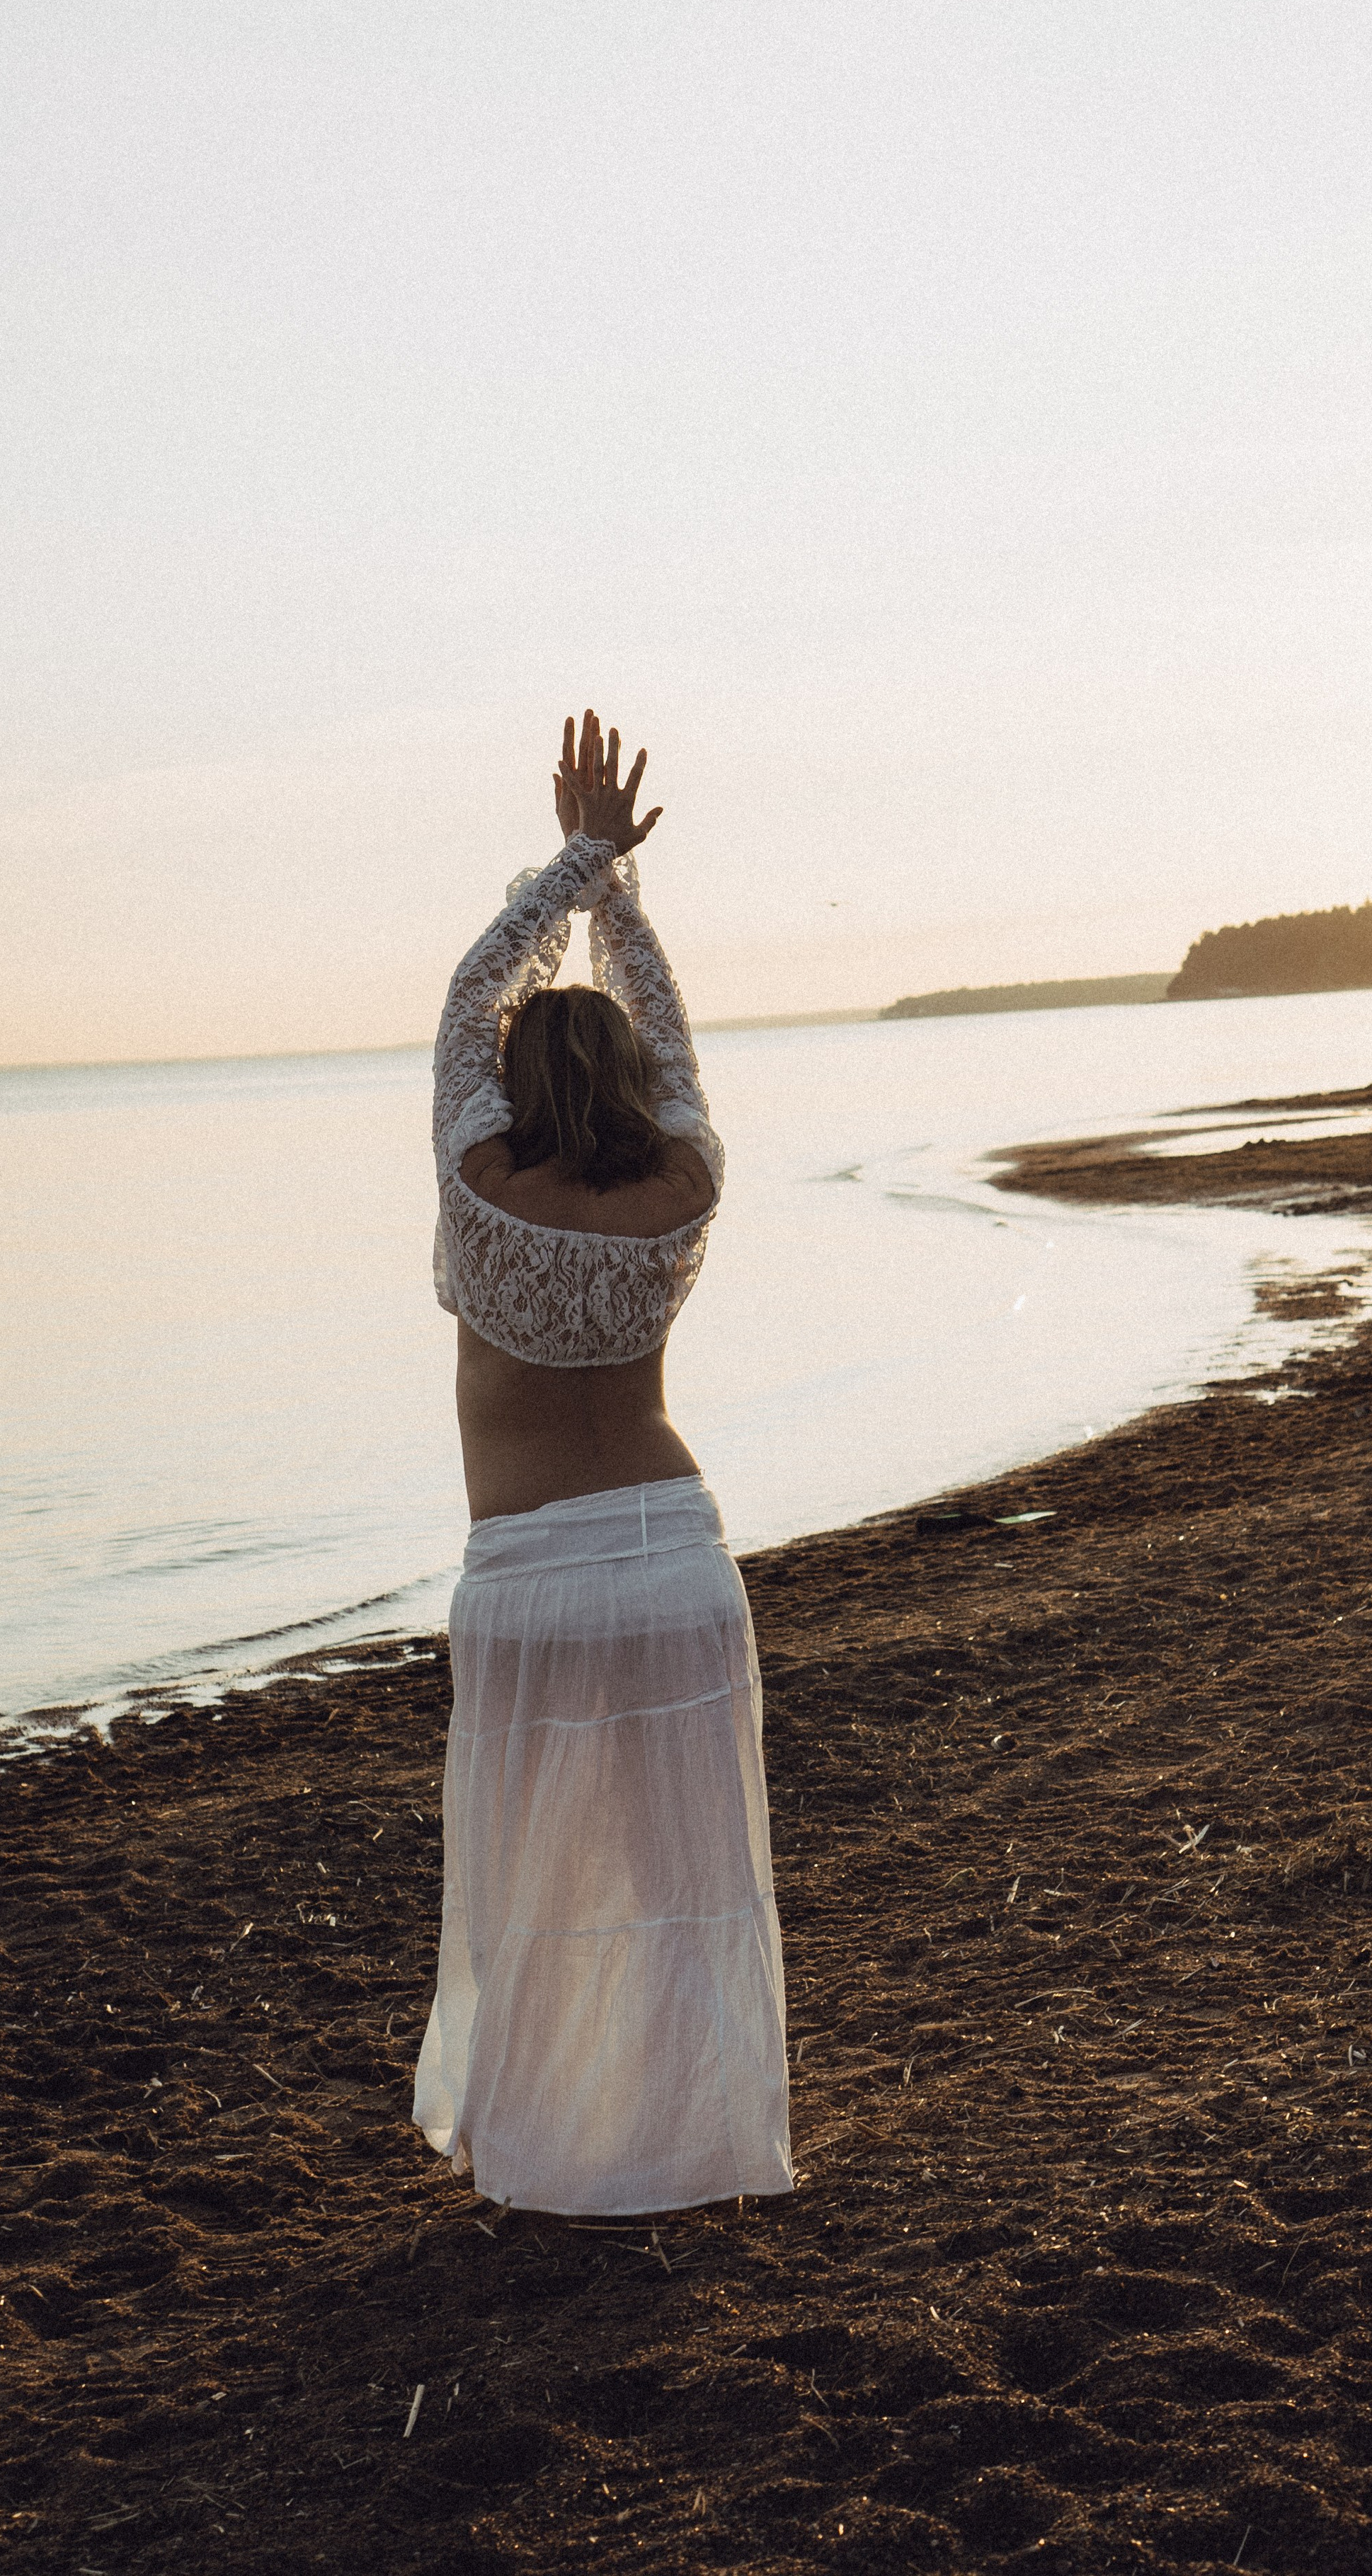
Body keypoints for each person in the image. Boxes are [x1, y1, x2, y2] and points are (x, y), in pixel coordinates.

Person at [412, 710, 791, 2216]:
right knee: (684, 1883)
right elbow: (668, 1025)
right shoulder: (686, 1183)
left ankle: (555, 2156)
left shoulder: (476, 1176)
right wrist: (619, 897)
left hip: (529, 1574)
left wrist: (574, 866)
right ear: (634, 1085)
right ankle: (696, 2149)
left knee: (538, 1892)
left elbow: (464, 996)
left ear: (504, 1087)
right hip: (672, 1552)